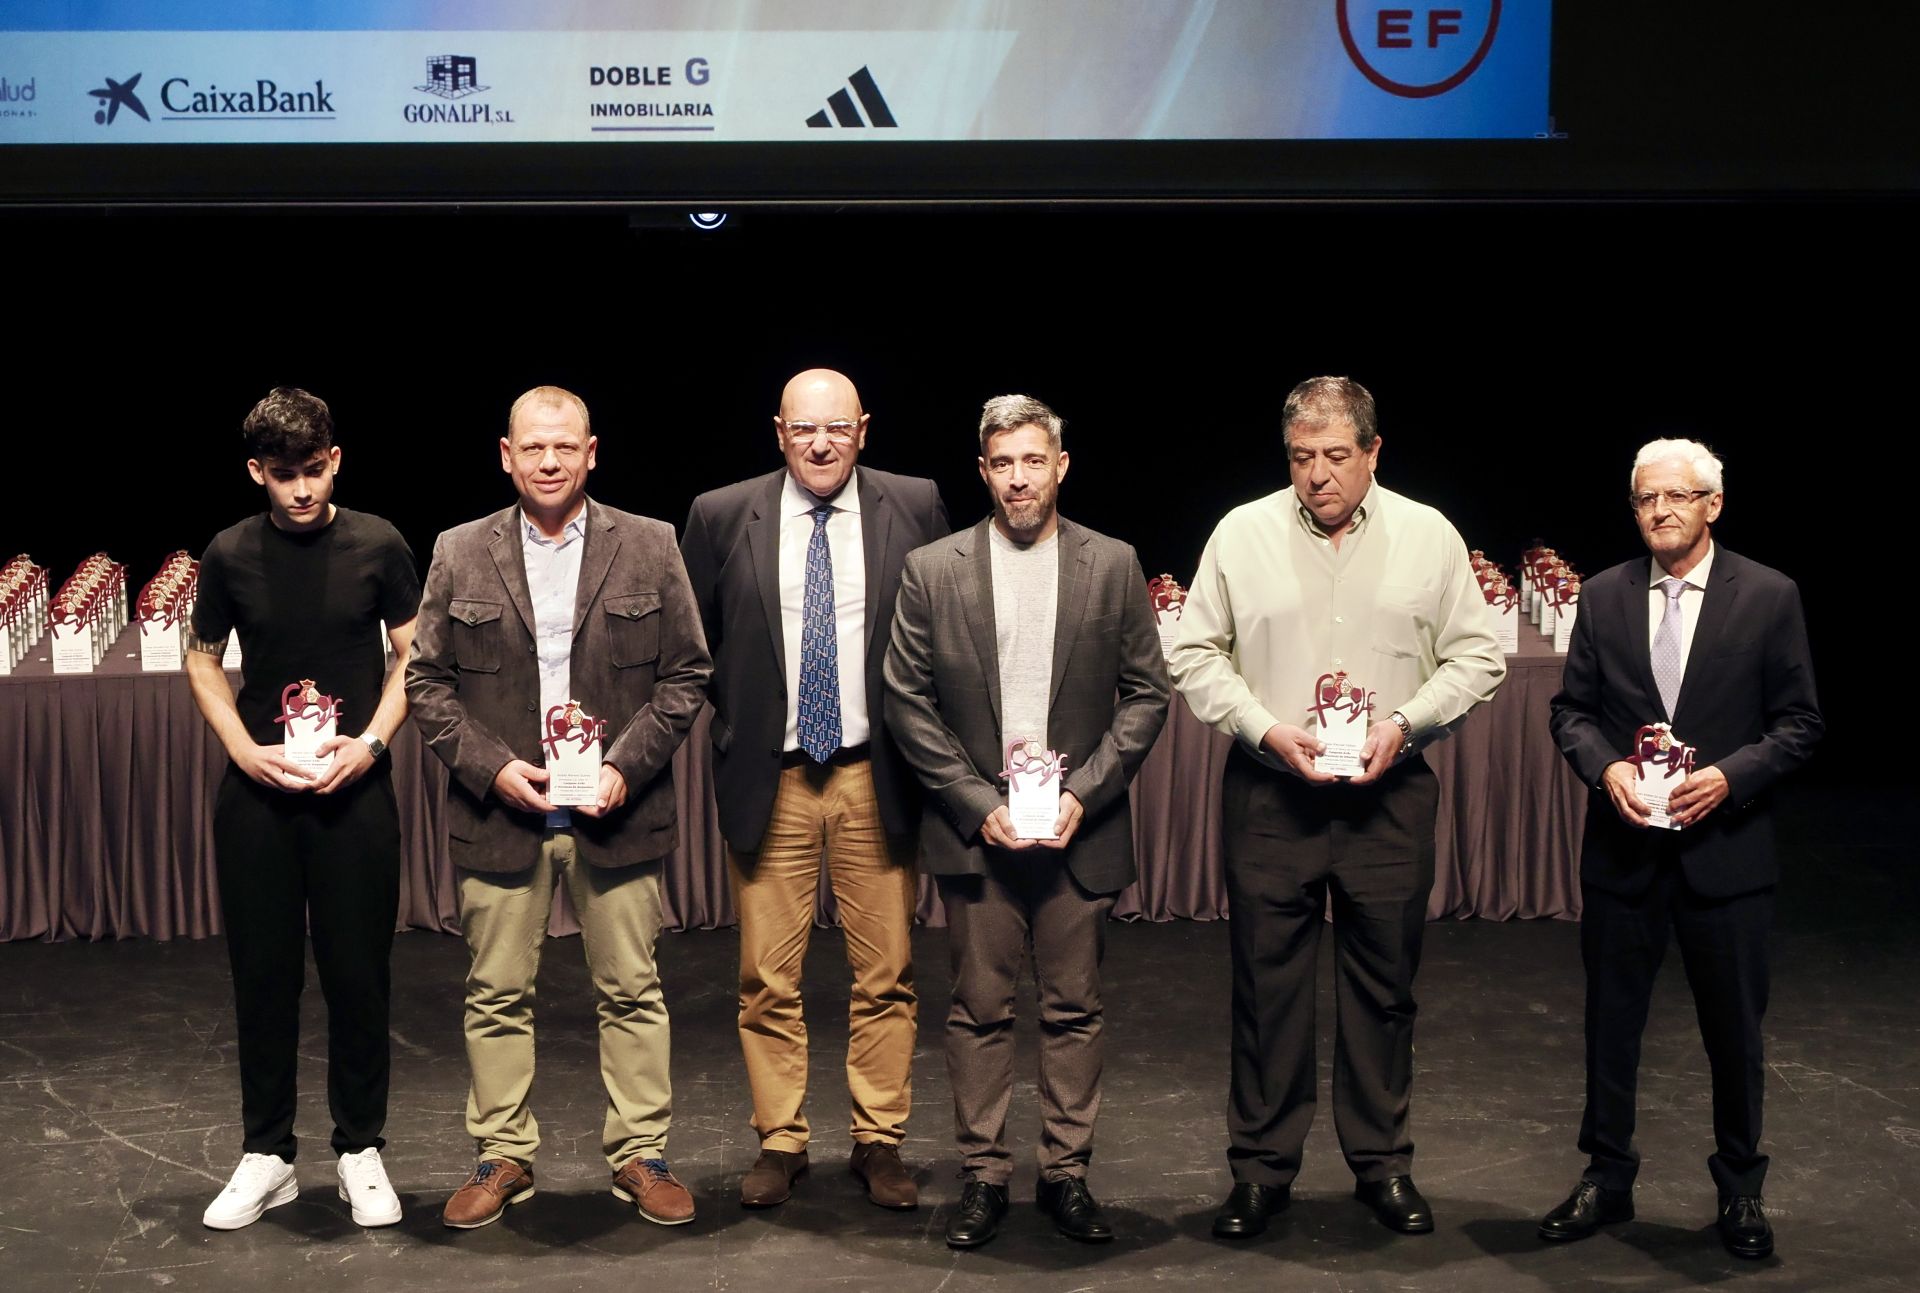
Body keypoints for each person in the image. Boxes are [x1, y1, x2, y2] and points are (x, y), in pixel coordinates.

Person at [1168, 376, 1504, 1238]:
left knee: (1383, 989)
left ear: (1373, 452)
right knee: (1266, 988)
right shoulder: (1241, 533)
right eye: (1302, 457)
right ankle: (1262, 1169)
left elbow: (1478, 655)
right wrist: (1262, 728)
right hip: (1272, 793)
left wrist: (1409, 723)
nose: (1319, 475)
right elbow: (1196, 651)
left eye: (1337, 456)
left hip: (1389, 796)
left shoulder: (1428, 535)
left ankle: (1382, 1163)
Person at [406, 386, 711, 1229]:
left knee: (633, 990)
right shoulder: (459, 550)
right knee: (497, 992)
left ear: (591, 452)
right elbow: (425, 683)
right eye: (532, 448)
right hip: (504, 811)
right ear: (506, 455)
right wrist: (493, 767)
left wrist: (625, 766)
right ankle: (503, 1154)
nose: (548, 461)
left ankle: (640, 1154)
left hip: (616, 809)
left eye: (564, 447)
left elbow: (688, 674)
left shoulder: (649, 544)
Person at [884, 394, 1168, 1248]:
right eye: (1002, 463)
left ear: (1060, 466)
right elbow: (907, 701)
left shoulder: (1112, 563)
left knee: (1075, 1007)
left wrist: (1085, 790)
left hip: (1079, 830)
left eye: (1032, 461)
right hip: (982, 839)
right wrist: (980, 806)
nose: (1018, 478)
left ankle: (1066, 1174)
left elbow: (1148, 693)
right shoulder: (932, 569)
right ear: (983, 471)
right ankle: (982, 1176)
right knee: (978, 1009)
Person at [1539, 439, 1821, 1260]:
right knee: (1610, 1023)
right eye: (1644, 499)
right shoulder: (1602, 595)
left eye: (1676, 497)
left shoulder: (1768, 595)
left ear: (1713, 505)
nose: (1659, 511)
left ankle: (1740, 1190)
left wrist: (1732, 777)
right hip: (1625, 853)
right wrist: (1607, 767)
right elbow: (1571, 712)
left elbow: (1800, 723)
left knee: (1733, 1032)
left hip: (1726, 856)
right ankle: (1607, 1175)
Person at [680, 368, 949, 1210]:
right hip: (775, 775)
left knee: (889, 976)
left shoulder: (915, 504)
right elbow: (698, 643)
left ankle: (879, 1140)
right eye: (805, 430)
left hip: (879, 773)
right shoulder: (722, 514)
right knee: (766, 977)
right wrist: (744, 724)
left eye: (837, 428)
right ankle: (781, 1139)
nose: (822, 443)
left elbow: (940, 630)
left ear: (863, 428)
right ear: (779, 432)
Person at [185, 387, 419, 1230]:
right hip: (259, 796)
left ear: (337, 459)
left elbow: (411, 652)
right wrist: (243, 750)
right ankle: (268, 1153)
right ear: (257, 471)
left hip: (354, 794)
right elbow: (203, 660)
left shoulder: (379, 543)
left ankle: (361, 1147)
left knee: (359, 976)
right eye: (284, 475)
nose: (302, 490)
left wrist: (373, 742)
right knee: (264, 977)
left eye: (314, 470)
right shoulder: (229, 553)